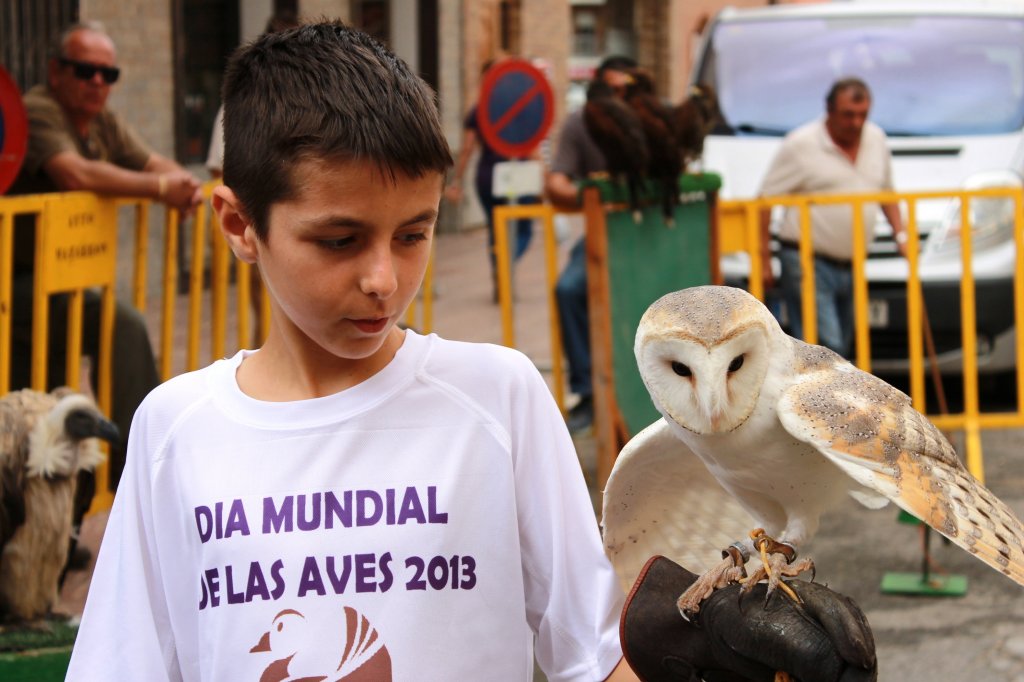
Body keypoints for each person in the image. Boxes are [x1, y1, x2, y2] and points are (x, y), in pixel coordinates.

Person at [66, 22, 874, 681]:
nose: (383, 279)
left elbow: (593, 660)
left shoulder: (498, 398)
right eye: (340, 239)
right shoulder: (177, 429)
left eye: (413, 234)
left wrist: (703, 661)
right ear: (240, 224)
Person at [6, 21, 202, 565]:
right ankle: (134, 466)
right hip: (16, 285)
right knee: (40, 406)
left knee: (55, 403)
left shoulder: (101, 121)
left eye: (107, 72)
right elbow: (74, 174)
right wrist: (163, 189)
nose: (97, 81)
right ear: (56, 72)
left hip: (60, 288)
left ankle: (73, 523)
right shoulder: (41, 108)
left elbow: (151, 160)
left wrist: (180, 183)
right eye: (84, 69)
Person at [758, 77, 906, 358]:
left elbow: (887, 193)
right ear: (829, 111)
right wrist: (764, 258)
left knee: (844, 344)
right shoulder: (801, 144)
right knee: (827, 346)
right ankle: (823, 403)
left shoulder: (876, 138)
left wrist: (901, 235)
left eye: (863, 115)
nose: (856, 123)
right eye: (848, 115)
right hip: (807, 259)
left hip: (852, 262)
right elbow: (764, 201)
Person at [545, 55, 636, 433]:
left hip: (652, 231)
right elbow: (556, 184)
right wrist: (593, 193)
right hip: (603, 232)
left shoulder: (646, 117)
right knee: (569, 289)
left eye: (624, 90)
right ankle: (587, 393)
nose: (618, 98)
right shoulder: (581, 122)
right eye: (610, 90)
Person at [206, 9, 300, 341]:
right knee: (271, 310)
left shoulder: (312, 108)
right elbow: (220, 168)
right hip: (262, 226)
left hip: (295, 226)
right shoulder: (243, 106)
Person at [444, 59, 538, 303]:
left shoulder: (479, 111)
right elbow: (533, 144)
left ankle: (501, 268)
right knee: (524, 228)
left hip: (487, 177)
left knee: (496, 231)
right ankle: (506, 267)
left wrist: (457, 181)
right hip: (518, 175)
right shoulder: (520, 106)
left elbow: (467, 149)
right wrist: (544, 176)